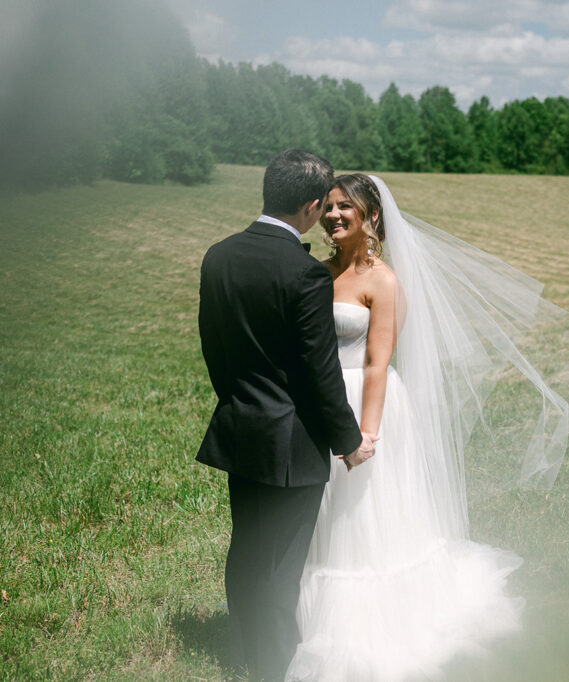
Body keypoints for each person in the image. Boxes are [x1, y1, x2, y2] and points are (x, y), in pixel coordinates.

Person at [285, 174, 569, 681]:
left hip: (366, 410)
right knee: (325, 518)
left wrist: (363, 436)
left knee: (366, 520)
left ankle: (375, 630)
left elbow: (378, 362)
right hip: (323, 404)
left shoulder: (383, 280)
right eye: (327, 206)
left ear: (371, 217)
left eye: (344, 207)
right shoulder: (315, 272)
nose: (332, 216)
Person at [197, 150, 378, 681]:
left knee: (247, 548)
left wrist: (239, 401)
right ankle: (273, 666)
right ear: (312, 203)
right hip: (291, 442)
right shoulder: (304, 274)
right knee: (281, 565)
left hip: (239, 426)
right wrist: (349, 440)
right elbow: (319, 375)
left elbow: (215, 348)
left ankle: (245, 648)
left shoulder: (219, 255)